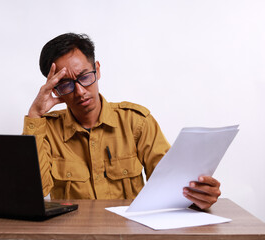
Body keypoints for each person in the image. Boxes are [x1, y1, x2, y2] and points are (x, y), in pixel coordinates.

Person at [23, 33, 221, 209]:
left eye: (84, 77)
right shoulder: (46, 130)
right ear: (54, 88)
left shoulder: (136, 122)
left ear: (97, 69)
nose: (80, 91)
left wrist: (199, 196)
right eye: (66, 84)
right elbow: (33, 193)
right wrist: (34, 116)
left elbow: (172, 188)